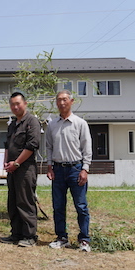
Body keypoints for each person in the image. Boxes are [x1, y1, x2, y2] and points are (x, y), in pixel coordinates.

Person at [46, 90, 92, 252]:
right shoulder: (52, 125)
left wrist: (85, 169)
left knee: (81, 206)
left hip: (76, 169)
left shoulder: (80, 123)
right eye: (58, 100)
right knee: (58, 206)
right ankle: (61, 237)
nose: (61, 103)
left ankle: (84, 239)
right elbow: (49, 147)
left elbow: (87, 148)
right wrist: (49, 166)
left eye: (65, 99)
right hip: (58, 170)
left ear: (72, 101)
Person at [1, 92, 41, 247]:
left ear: (25, 103)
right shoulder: (12, 124)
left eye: (18, 103)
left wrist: (16, 163)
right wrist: (6, 164)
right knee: (13, 202)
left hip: (25, 169)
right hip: (12, 169)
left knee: (25, 202)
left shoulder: (32, 121)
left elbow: (32, 146)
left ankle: (30, 236)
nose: (15, 107)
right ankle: (16, 233)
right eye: (12, 104)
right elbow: (7, 146)